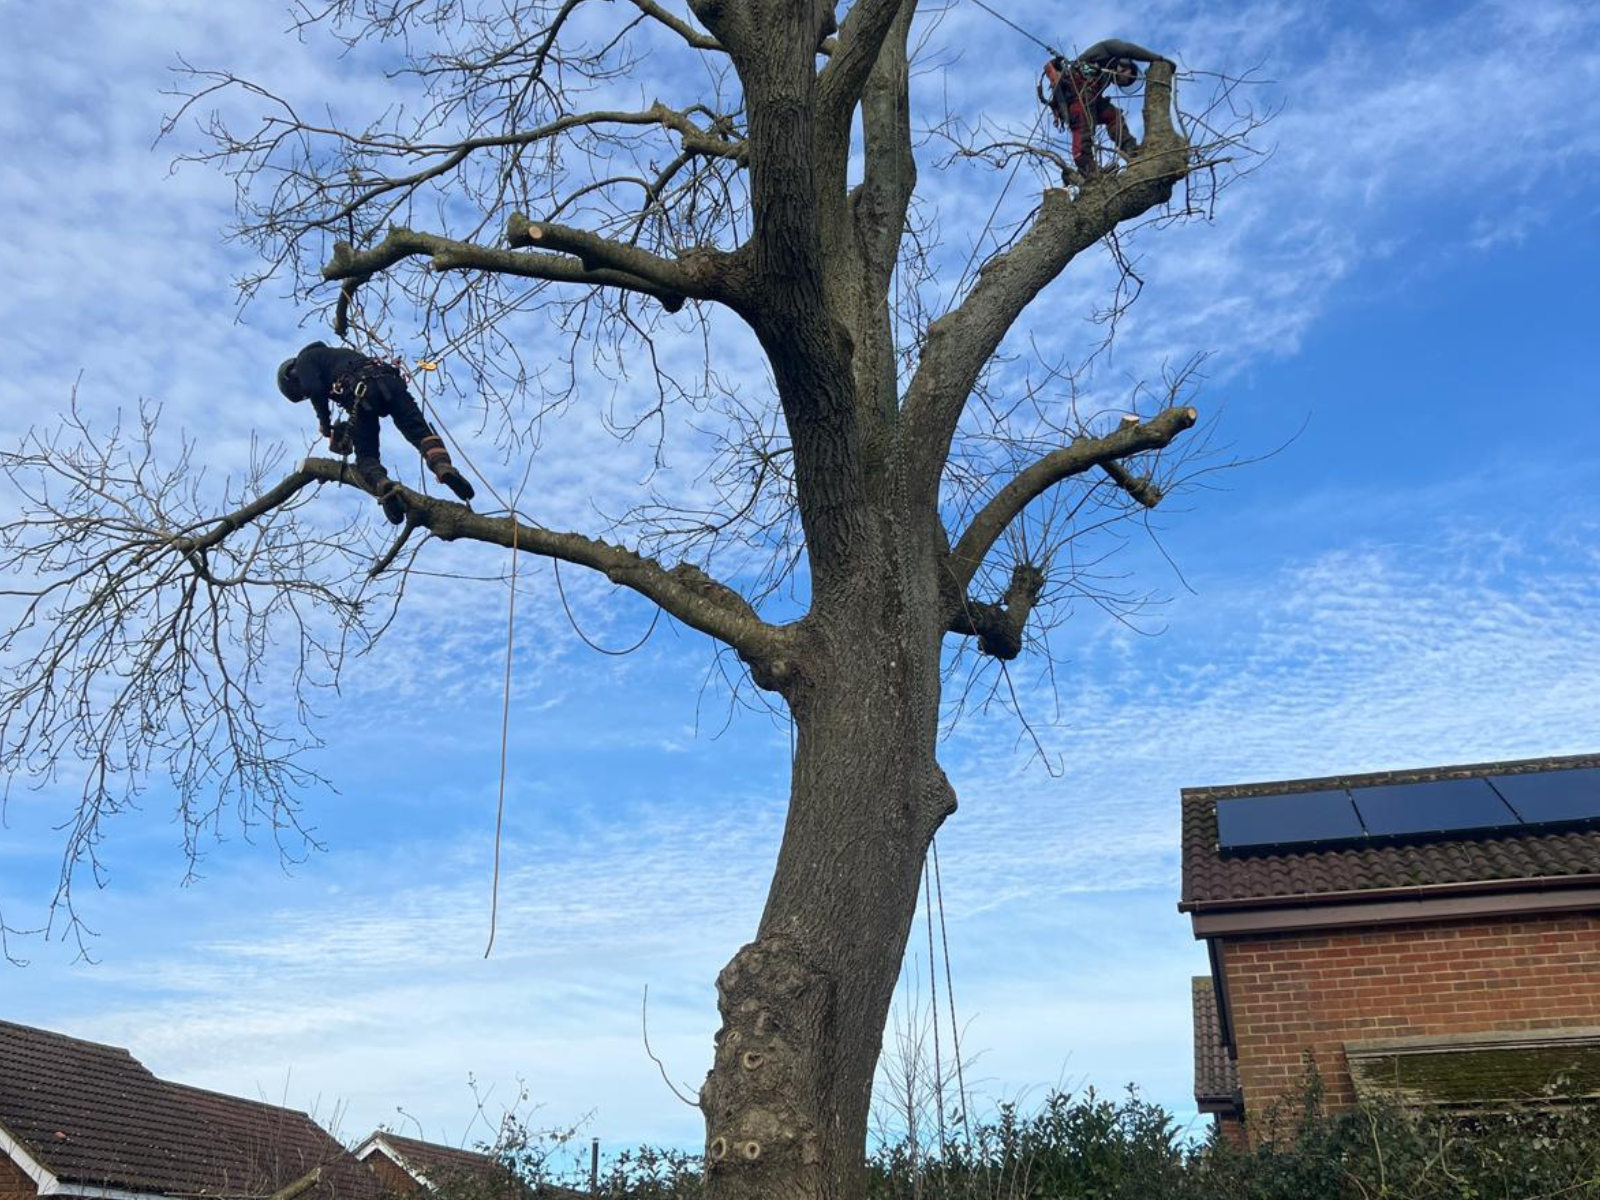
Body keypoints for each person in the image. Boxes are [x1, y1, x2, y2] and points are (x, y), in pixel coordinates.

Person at [277, 342, 476, 524]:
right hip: (388, 381)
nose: (303, 392)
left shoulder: (304, 360)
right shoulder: (337, 355)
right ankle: (443, 467)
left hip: (359, 391)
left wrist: (325, 425)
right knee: (419, 432)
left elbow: (315, 389)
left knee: (366, 456)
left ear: (291, 376)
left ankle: (383, 485)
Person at [1042, 38, 1169, 178]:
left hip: (1091, 98)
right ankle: (1089, 171)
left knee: (1113, 115)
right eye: (1127, 78)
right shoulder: (1107, 50)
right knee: (1084, 130)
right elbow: (1127, 49)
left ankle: (1131, 150)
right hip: (1078, 97)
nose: (1122, 81)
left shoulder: (1106, 74)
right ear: (1125, 65)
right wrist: (1159, 59)